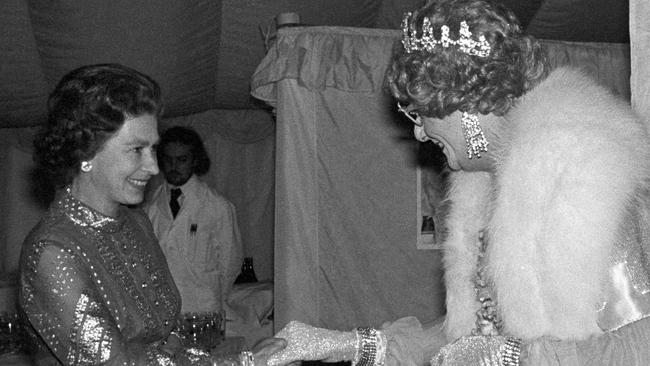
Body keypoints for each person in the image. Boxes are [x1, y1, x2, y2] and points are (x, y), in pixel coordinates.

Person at [260, 0, 650, 365]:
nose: (418, 134)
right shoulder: (486, 185)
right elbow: (472, 338)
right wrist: (346, 344)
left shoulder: (589, 170)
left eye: (420, 116)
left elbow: (637, 340)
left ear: (466, 104)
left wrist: (516, 357)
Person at [18, 63, 281, 366]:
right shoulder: (52, 252)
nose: (154, 167)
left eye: (153, 149)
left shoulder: (136, 222)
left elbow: (165, 339)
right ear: (85, 152)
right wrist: (241, 363)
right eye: (137, 150)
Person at [143, 126, 243, 315]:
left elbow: (231, 263)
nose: (174, 166)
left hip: (203, 310)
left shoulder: (217, 206)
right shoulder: (150, 206)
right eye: (168, 159)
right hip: (164, 311)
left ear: (195, 160)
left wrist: (214, 299)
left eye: (182, 160)